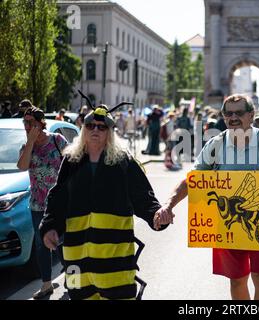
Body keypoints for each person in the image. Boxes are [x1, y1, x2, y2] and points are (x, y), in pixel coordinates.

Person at [154, 94, 259, 300]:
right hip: (227, 224)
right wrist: (168, 205)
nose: (233, 117)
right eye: (228, 113)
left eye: (239, 113)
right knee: (237, 279)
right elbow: (194, 179)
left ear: (251, 115)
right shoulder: (216, 144)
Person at [39, 98, 168, 300]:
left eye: (101, 126)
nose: (95, 130)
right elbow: (57, 196)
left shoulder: (123, 161)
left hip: (114, 259)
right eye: (90, 125)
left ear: (109, 132)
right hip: (75, 258)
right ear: (83, 129)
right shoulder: (71, 160)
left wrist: (157, 216)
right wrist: (50, 226)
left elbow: (143, 197)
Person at [16, 106, 68, 299]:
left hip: (60, 204)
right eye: (25, 123)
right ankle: (46, 284)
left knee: (63, 242)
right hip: (38, 205)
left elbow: (73, 162)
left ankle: (71, 275)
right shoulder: (26, 146)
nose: (27, 126)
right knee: (41, 245)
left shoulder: (57, 140)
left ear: (40, 123)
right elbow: (22, 166)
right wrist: (30, 142)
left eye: (30, 123)